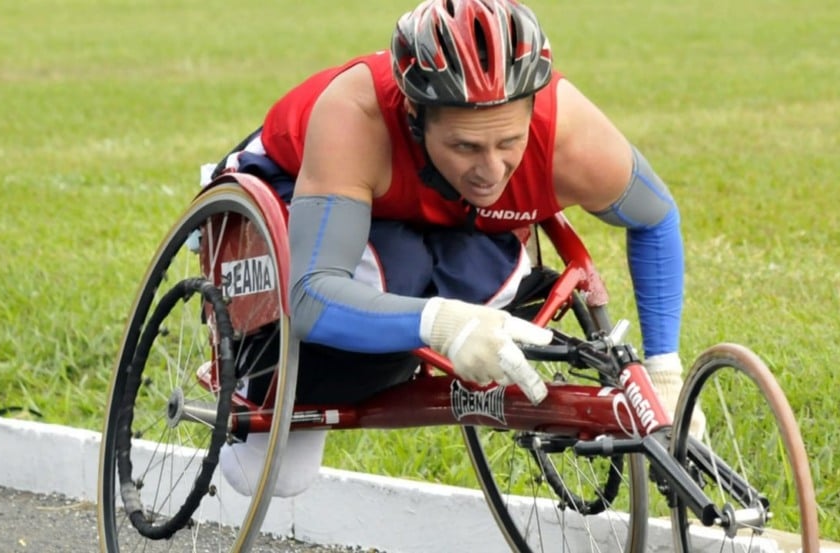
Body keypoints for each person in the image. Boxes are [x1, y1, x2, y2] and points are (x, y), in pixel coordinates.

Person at [216, 0, 699, 497]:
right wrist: (441, 324)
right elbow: (312, 296)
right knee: (273, 478)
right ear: (414, 116)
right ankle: (278, 369)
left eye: (509, 142)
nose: (491, 169)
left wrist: (664, 368)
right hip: (308, 191)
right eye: (466, 145)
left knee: (498, 283)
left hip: (448, 216)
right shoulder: (356, 116)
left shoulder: (571, 136)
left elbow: (655, 218)